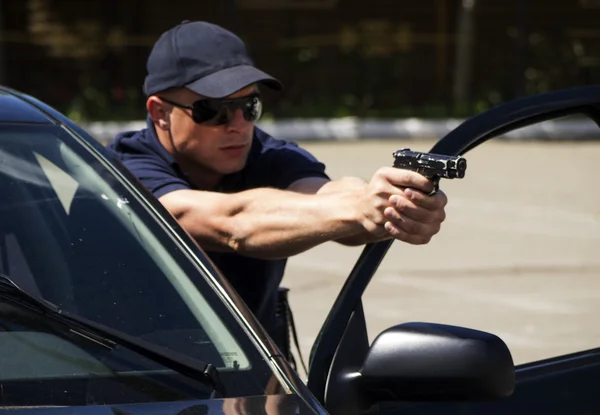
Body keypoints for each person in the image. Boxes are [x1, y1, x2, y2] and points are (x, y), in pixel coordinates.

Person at [105, 20, 448, 363]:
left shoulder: (267, 153)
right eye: (214, 110)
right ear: (160, 113)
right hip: (133, 373)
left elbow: (325, 195)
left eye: (249, 106)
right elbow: (229, 223)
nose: (238, 125)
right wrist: (359, 210)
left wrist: (386, 203)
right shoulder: (122, 169)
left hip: (248, 372)